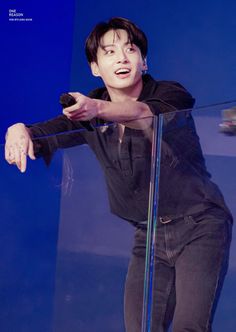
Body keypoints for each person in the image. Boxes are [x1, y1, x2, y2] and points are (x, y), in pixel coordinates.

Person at [5, 17, 233, 332]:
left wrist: (97, 110)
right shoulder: (87, 111)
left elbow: (143, 114)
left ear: (144, 60)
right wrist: (18, 130)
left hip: (200, 224)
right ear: (95, 68)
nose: (122, 58)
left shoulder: (170, 94)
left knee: (188, 327)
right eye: (109, 52)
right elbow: (42, 132)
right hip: (148, 233)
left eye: (130, 49)